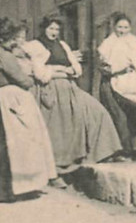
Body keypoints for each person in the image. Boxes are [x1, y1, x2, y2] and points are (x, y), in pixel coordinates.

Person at [23, 16, 122, 173]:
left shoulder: (62, 45)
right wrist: (62, 70)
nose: (54, 32)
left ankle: (102, 152)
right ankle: (59, 165)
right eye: (51, 28)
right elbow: (41, 74)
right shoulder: (35, 46)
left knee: (97, 111)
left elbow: (77, 69)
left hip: (70, 87)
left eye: (57, 29)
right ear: (43, 29)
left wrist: (59, 69)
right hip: (49, 90)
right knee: (61, 127)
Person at [0, 18, 55, 205]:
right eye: (12, 38)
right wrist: (32, 76)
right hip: (10, 98)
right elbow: (23, 80)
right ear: (4, 38)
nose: (15, 42)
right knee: (17, 144)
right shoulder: (4, 56)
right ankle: (13, 188)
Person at [98, 12, 136, 160]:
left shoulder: (135, 42)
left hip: (134, 81)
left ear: (130, 28)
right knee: (120, 117)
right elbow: (105, 65)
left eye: (126, 27)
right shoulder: (108, 43)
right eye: (119, 27)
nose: (122, 30)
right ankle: (123, 150)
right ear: (114, 27)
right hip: (113, 82)